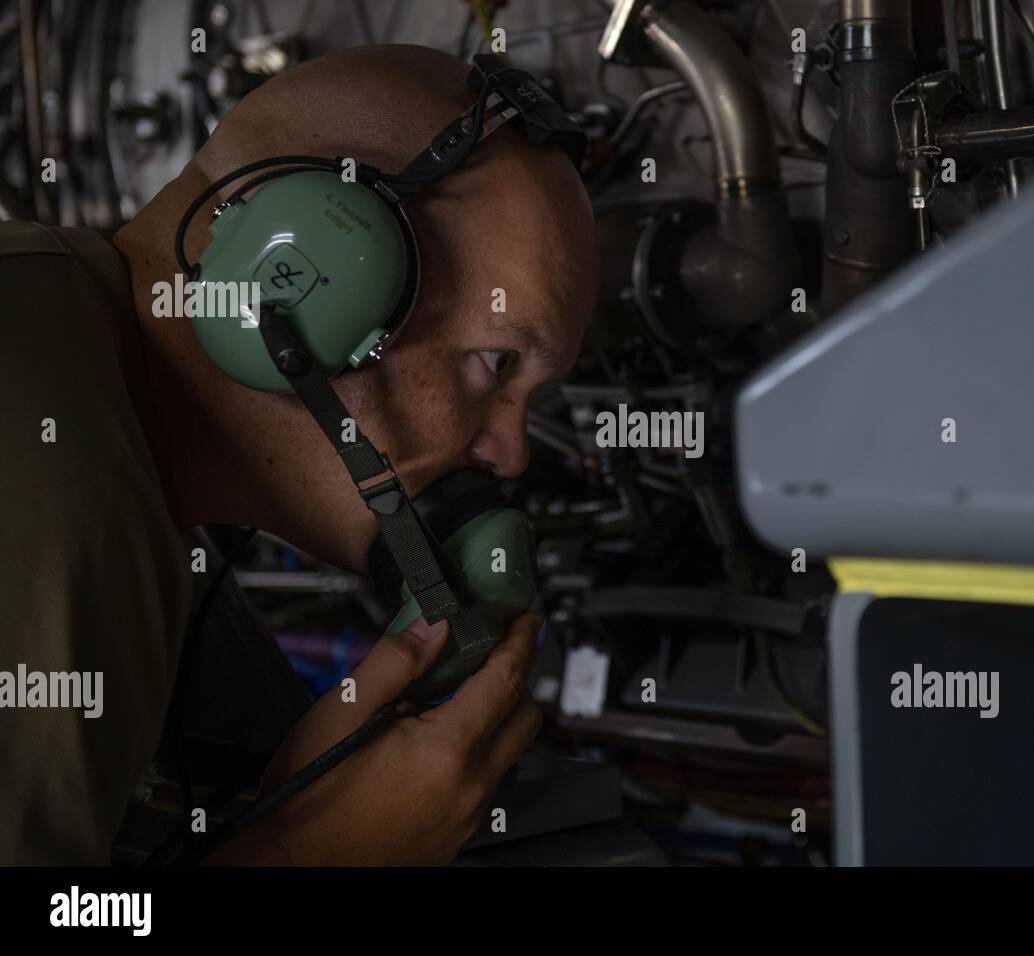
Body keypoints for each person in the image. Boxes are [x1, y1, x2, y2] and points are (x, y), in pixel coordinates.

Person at [0, 44, 597, 865]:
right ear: (287, 280)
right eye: (495, 363)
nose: (511, 453)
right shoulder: (63, 490)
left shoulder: (82, 379)